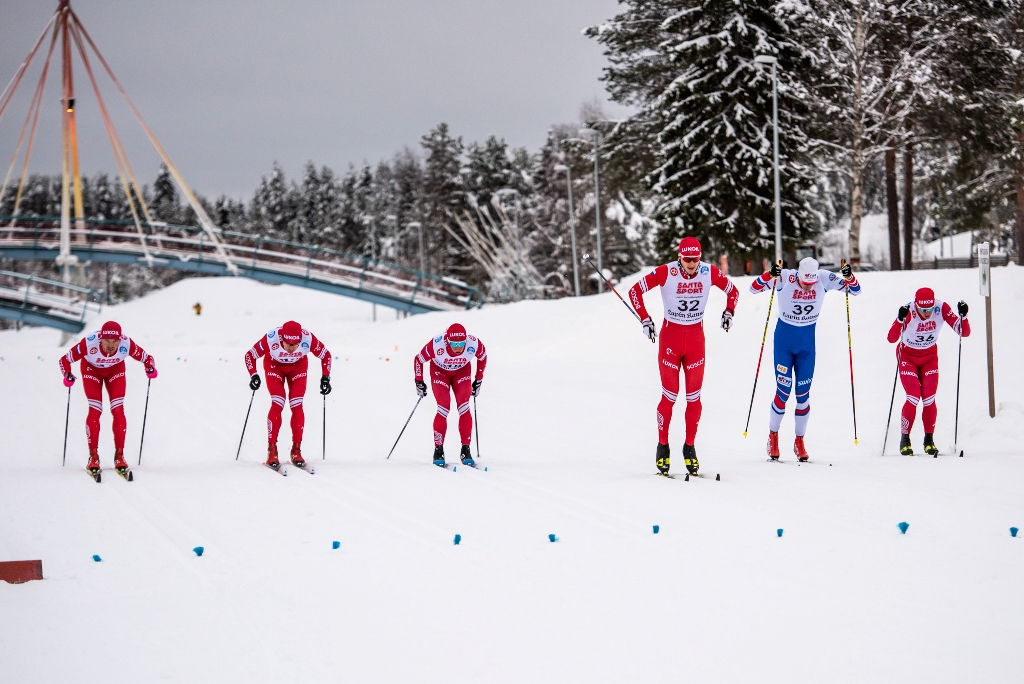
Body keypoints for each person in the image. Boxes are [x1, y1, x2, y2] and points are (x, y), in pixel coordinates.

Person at [626, 236, 739, 476]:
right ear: (680, 256)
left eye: (695, 259)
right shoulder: (667, 271)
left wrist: (729, 312)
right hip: (671, 339)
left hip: (696, 340)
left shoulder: (709, 272)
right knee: (670, 396)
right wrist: (645, 319)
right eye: (687, 259)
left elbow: (733, 292)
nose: (691, 264)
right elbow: (635, 291)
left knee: (694, 398)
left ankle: (689, 447)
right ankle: (662, 446)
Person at [749, 257, 860, 461]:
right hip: (784, 343)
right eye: (804, 283)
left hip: (807, 347)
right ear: (797, 274)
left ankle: (799, 441)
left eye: (811, 283)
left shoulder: (824, 278)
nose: (808, 288)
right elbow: (753, 288)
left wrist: (849, 277)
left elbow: (855, 290)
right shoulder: (785, 277)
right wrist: (769, 274)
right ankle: (773, 435)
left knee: (803, 395)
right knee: (783, 392)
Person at [59, 321, 157, 475]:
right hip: (91, 370)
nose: (111, 345)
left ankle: (119, 456)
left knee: (118, 409)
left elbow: (148, 358)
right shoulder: (89, 342)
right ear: (100, 339)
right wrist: (67, 374)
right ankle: (93, 457)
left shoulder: (127, 343)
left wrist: (150, 368)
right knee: (95, 410)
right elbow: (64, 360)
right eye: (107, 341)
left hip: (115, 370)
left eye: (115, 341)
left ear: (120, 339)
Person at [886, 288, 970, 456]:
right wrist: (899, 319)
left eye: (929, 309)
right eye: (923, 310)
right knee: (913, 396)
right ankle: (905, 439)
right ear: (916, 305)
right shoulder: (909, 310)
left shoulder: (941, 308)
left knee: (929, 398)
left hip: (929, 357)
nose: (926, 313)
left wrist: (964, 316)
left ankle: (929, 440)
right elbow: (891, 338)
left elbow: (963, 332)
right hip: (907, 357)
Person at [244, 321, 332, 469]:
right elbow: (250, 355)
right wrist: (254, 375)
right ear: (281, 339)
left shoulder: (308, 339)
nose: (291, 348)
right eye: (287, 344)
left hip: (298, 368)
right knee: (278, 402)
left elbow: (326, 355)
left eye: (295, 344)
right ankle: (272, 451)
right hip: (274, 367)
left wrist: (325, 377)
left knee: (296, 405)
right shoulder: (271, 338)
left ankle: (296, 450)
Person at [413, 323, 487, 467]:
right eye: (454, 343)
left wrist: (478, 379)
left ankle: (466, 449)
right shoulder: (437, 344)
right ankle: (438, 450)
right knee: (444, 407)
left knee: (464, 406)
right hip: (439, 372)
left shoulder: (474, 343)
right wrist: (419, 381)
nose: (458, 347)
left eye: (461, 343)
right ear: (447, 340)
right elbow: (418, 359)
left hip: (462, 371)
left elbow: (483, 357)